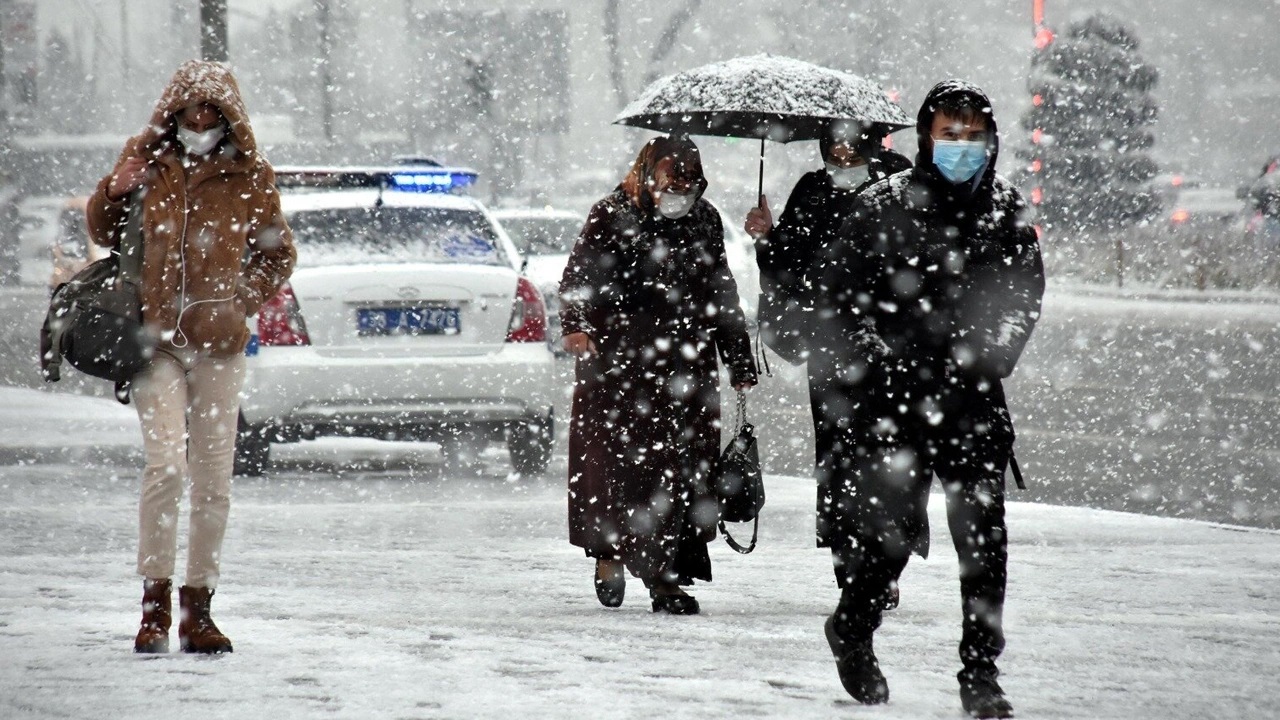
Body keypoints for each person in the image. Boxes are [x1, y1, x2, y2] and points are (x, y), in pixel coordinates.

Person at [817, 80, 1045, 718]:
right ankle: (854, 626)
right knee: (890, 538)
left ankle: (980, 674)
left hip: (972, 402)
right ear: (925, 137)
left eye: (973, 136)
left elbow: (1023, 295)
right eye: (950, 134)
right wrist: (877, 362)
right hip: (892, 404)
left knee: (983, 544)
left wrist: (989, 356)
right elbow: (838, 294)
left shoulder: (1004, 209)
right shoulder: (882, 204)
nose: (962, 146)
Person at [86, 60, 296, 654]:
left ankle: (197, 611)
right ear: (173, 111)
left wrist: (241, 302)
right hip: (154, 343)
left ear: (230, 117)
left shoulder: (250, 175)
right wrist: (114, 190)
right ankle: (152, 608)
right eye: (190, 109)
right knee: (166, 468)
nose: (200, 120)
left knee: (213, 482)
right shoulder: (148, 161)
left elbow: (277, 255)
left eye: (212, 111)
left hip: (220, 346)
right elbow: (103, 232)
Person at [559, 135, 758, 615]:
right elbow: (579, 276)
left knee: (683, 471)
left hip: (686, 366)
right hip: (619, 367)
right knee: (619, 469)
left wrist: (738, 357)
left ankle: (666, 578)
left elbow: (721, 289)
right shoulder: (611, 214)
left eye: (689, 179)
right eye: (671, 177)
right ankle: (609, 551)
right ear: (648, 172)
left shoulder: (704, 219)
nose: (679, 188)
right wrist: (578, 325)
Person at [744, 124, 912, 605]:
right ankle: (848, 557)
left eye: (850, 144)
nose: (841, 154)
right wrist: (766, 238)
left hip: (892, 350)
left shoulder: (899, 183)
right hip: (832, 350)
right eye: (833, 145)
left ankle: (886, 560)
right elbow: (786, 268)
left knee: (891, 458)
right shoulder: (813, 190)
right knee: (840, 458)